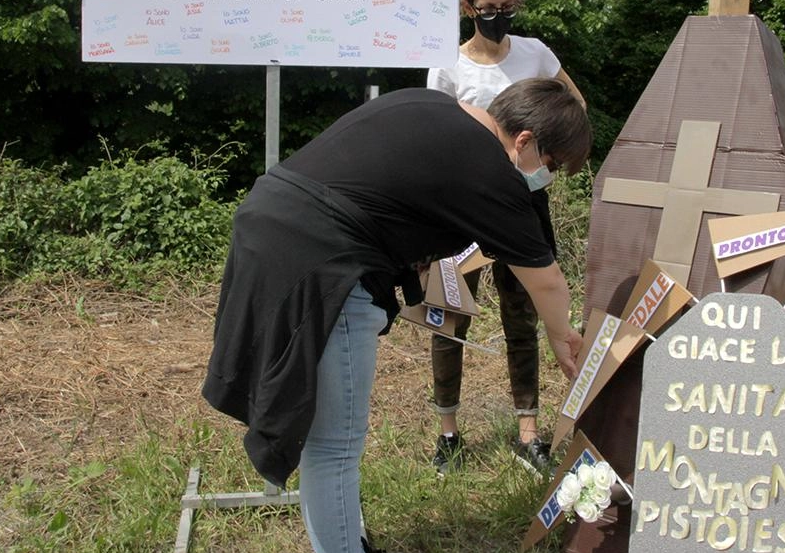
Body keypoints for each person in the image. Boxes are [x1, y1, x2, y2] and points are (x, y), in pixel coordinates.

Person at [201, 77, 590, 553]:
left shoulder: (430, 105)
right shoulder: (491, 165)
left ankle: (347, 536)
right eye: (549, 166)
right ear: (525, 140)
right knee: (334, 445)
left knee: (325, 435)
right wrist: (561, 337)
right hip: (327, 265)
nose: (543, 178)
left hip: (269, 224)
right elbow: (545, 279)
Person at [425, 0, 586, 476]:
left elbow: (574, 108)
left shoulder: (536, 54)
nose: (497, 15)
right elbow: (436, 133)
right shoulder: (448, 64)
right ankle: (448, 434)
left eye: (506, 6)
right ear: (468, 6)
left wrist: (553, 159)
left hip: (522, 202)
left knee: (522, 312)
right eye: (487, 7)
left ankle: (529, 432)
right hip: (461, 207)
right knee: (451, 314)